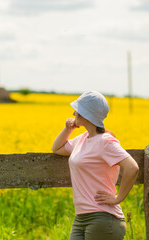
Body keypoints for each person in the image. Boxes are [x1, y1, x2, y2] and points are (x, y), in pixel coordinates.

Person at [51, 91, 139, 240]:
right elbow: (57, 148)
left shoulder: (105, 141)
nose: (73, 113)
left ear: (86, 114)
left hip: (103, 217)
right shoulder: (83, 139)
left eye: (77, 110)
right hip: (81, 218)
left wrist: (118, 198)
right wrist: (68, 129)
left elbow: (132, 167)